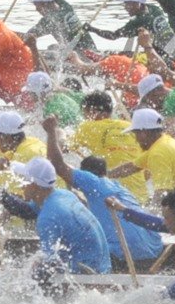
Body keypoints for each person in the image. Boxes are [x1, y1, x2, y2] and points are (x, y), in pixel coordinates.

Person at [40, 116, 163, 271]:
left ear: (86, 175)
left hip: (129, 254)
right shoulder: (118, 188)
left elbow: (57, 165)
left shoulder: (92, 181)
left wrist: (51, 132)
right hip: (154, 250)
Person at [0, 157, 111, 276]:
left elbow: (48, 264)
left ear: (35, 185)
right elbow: (26, 211)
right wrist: (0, 193)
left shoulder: (48, 217)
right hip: (103, 266)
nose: (20, 185)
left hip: (89, 273)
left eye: (23, 180)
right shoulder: (63, 195)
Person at [125, 107, 175, 206]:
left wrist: (146, 215)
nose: (136, 140)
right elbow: (131, 167)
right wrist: (106, 175)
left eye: (136, 134)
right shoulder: (165, 141)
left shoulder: (158, 154)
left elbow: (162, 194)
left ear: (144, 132)